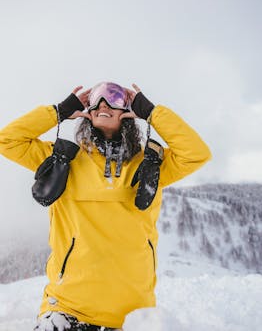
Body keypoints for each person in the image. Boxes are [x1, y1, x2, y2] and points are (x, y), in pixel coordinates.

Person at [0, 82, 211, 330]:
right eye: (97, 99)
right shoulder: (63, 160)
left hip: (131, 315)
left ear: (129, 111)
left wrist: (153, 113)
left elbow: (196, 153)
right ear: (87, 111)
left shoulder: (150, 164)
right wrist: (59, 111)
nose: (103, 104)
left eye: (115, 98)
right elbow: (7, 140)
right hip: (67, 309)